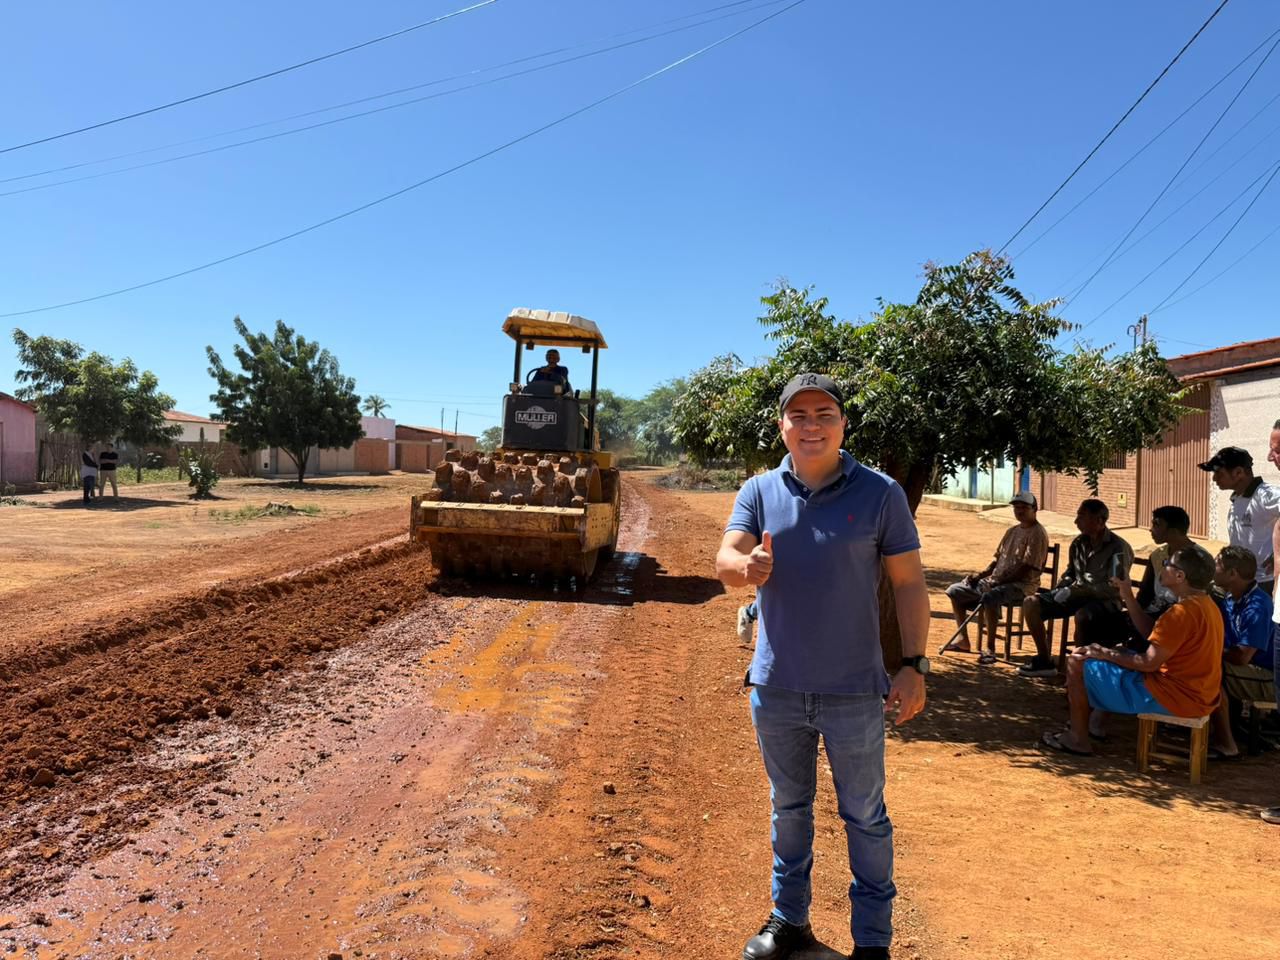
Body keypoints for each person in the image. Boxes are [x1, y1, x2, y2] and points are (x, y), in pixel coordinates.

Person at [716, 372, 929, 960]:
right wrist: (746, 567)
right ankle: (790, 922)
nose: (811, 425)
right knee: (788, 809)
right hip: (777, 686)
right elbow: (725, 558)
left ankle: (872, 944)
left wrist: (913, 664)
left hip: (853, 690)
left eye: (824, 414)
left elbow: (909, 584)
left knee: (864, 817)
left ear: (842, 423)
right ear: (782, 425)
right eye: (799, 415)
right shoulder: (759, 490)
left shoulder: (881, 493)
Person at [1042, 547, 1223, 756]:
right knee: (1119, 654)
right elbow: (1152, 633)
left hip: (1173, 697)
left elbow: (1149, 663)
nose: (1162, 568)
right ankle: (1094, 724)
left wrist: (1104, 653)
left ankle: (1077, 738)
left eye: (1167, 565)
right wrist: (1127, 594)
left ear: (1180, 576)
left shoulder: (1181, 613)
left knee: (1077, 662)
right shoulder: (1206, 605)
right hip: (1198, 695)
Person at [1019, 499, 1134, 677]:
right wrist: (1060, 587)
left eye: (1082, 516)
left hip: (1106, 601)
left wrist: (1079, 590)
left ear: (1099, 521)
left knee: (1083, 615)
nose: (1076, 521)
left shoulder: (1117, 547)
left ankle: (1079, 671)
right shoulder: (1079, 543)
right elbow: (1071, 573)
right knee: (1031, 603)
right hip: (1076, 595)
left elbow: (1115, 587)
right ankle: (1044, 660)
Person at [942, 491, 1048, 664]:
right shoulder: (1012, 531)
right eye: (1016, 507)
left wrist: (999, 581)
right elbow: (997, 559)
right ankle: (962, 639)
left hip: (1021, 586)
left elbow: (1026, 568)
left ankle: (990, 648)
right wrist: (980, 575)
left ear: (1034, 509)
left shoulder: (1037, 533)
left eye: (1024, 508)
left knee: (992, 596)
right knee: (955, 590)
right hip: (995, 581)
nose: (1019, 511)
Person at [1208, 546, 1274, 759]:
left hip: (1268, 677)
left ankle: (1226, 744)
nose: (1212, 570)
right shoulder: (1230, 599)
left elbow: (1242, 656)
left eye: (1216, 566)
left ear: (1232, 574)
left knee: (1211, 671)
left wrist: (1210, 651)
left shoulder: (1258, 605)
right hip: (1248, 670)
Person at [1200, 445, 1280, 595]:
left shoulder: (1264, 495)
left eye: (1219, 473)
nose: (1214, 478)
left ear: (1238, 472)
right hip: (1238, 582)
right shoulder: (1238, 498)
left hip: (1262, 584)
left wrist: (1278, 553)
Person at [1137, 506, 1210, 619]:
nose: (1151, 529)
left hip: (1181, 617)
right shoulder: (1157, 555)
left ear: (1173, 531)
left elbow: (1200, 599)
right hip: (1152, 615)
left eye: (1157, 524)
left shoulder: (1201, 559)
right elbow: (1145, 593)